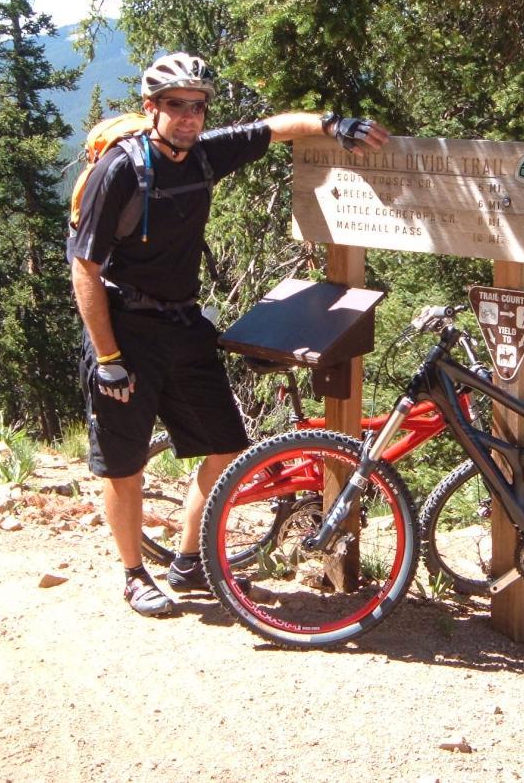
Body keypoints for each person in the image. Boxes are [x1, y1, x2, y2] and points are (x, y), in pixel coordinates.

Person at [69, 52, 390, 617]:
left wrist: (334, 124)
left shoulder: (204, 155)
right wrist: (108, 357)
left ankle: (189, 559)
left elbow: (273, 129)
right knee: (125, 464)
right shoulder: (120, 170)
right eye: (176, 106)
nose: (190, 117)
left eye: (198, 106)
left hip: (183, 324)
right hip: (123, 329)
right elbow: (85, 270)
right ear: (152, 109)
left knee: (226, 445)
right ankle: (133, 574)